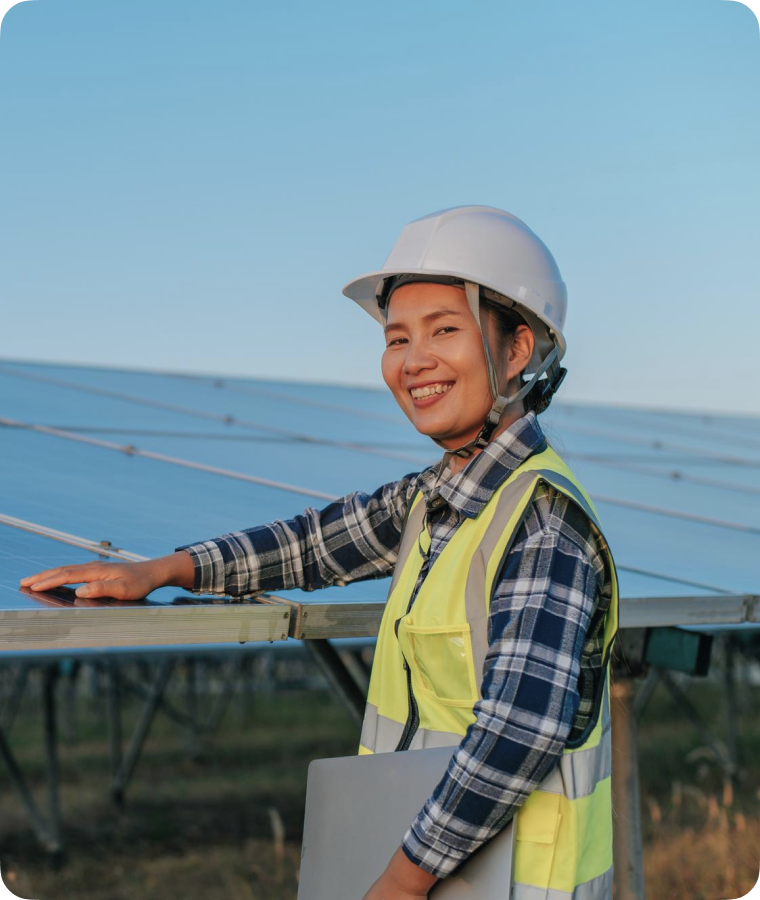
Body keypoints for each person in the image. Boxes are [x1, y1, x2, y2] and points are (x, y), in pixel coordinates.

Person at [21, 206, 618, 900]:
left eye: (444, 330)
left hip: (513, 883)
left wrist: (400, 880)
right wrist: (162, 570)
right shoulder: (436, 496)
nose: (413, 360)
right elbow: (312, 545)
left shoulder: (543, 524)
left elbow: (518, 733)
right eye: (397, 338)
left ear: (518, 350)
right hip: (437, 865)